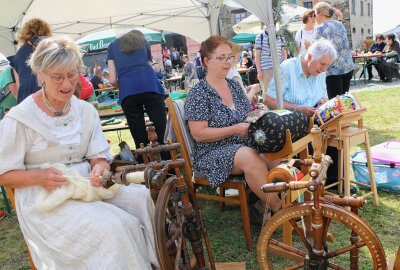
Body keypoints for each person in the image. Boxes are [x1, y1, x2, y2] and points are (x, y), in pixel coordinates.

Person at [0, 36, 159, 269]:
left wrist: (99, 168)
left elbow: (98, 156)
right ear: (40, 74)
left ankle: (150, 263)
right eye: (57, 77)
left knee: (141, 198)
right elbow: (4, 174)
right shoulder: (20, 118)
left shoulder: (85, 111)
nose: (67, 85)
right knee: (114, 227)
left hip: (85, 184)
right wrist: (40, 177)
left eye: (72, 75)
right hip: (44, 198)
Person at [184, 36, 281, 215]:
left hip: (240, 143)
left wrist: (259, 113)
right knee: (250, 157)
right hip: (211, 151)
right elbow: (199, 134)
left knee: (273, 153)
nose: (227, 62)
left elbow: (245, 116)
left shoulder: (234, 86)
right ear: (206, 61)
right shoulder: (199, 92)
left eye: (229, 57)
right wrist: (236, 129)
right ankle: (278, 209)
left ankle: (272, 202)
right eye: (221, 58)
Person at [107, 30, 167, 151]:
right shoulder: (143, 42)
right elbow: (150, 65)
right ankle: (168, 161)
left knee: (139, 136)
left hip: (128, 90)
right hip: (150, 86)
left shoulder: (112, 46)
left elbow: (112, 79)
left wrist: (123, 87)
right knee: (161, 129)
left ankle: (144, 164)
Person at [265, 39, 337, 117]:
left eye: (327, 65)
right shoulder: (287, 67)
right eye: (322, 64)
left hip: (315, 123)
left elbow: (324, 98)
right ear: (310, 57)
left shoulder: (321, 73)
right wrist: (299, 109)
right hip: (289, 122)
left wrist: (323, 103)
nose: (324, 69)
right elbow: (269, 101)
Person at [314, 2, 355, 99]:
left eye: (315, 14)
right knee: (344, 102)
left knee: (335, 106)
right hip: (347, 67)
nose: (314, 17)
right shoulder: (339, 24)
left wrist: (308, 46)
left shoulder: (320, 28)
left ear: (320, 13)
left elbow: (316, 51)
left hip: (333, 71)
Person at [11, 18, 52, 104]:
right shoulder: (51, 46)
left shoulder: (18, 55)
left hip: (25, 97)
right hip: (47, 90)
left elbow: (19, 85)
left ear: (25, 33)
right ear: (46, 30)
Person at [255, 28, 287, 99]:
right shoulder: (260, 36)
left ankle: (281, 109)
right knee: (267, 92)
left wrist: (285, 66)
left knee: (281, 91)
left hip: (279, 67)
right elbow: (257, 55)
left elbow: (284, 52)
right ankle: (269, 109)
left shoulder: (280, 36)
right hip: (266, 69)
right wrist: (259, 71)